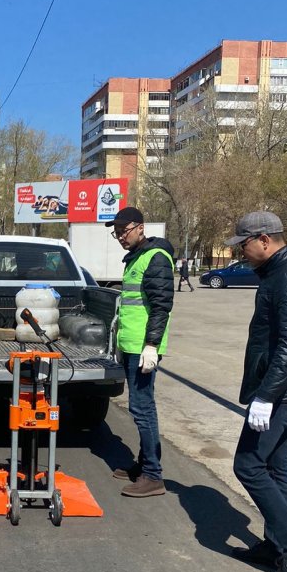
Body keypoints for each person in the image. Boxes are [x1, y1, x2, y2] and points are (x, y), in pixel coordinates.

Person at [226, 212, 287, 572]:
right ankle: (277, 546)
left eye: (245, 246)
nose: (242, 254)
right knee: (277, 465)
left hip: (281, 391)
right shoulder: (278, 272)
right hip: (283, 388)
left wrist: (266, 396)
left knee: (248, 465)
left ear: (264, 240)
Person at [109, 206, 175, 497]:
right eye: (117, 232)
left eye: (124, 231)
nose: (120, 236)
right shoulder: (136, 258)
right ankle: (145, 463)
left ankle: (152, 475)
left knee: (142, 408)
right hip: (132, 345)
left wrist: (151, 345)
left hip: (143, 348)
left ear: (140, 227)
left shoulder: (156, 258)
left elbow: (161, 307)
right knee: (141, 407)